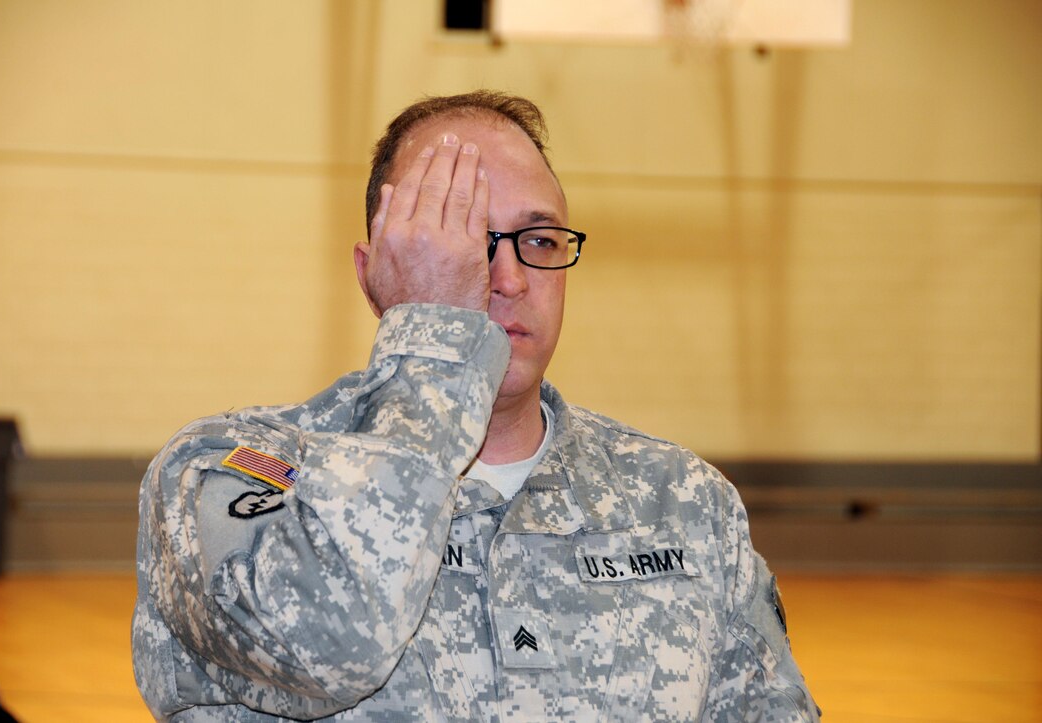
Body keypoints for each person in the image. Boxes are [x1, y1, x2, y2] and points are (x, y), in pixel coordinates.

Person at [132, 90, 820, 721]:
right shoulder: (224, 469)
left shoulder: (686, 502)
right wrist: (435, 340)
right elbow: (325, 643)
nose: (510, 278)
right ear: (378, 273)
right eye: (463, 242)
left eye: (540, 240)